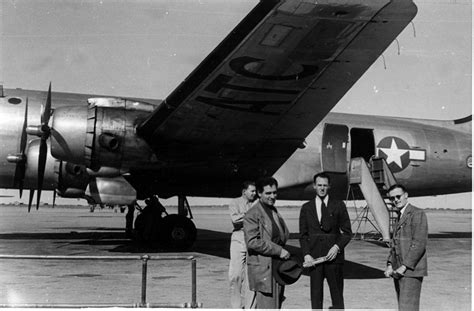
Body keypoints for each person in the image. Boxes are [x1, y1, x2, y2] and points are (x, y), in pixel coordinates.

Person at [299, 172, 352, 309]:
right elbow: (303, 235)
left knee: (337, 297)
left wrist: (337, 247)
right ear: (314, 186)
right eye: (319, 185)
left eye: (325, 185)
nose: (322, 188)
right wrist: (306, 254)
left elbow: (347, 233)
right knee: (316, 298)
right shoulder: (306, 208)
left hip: (334, 260)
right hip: (314, 260)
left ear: (329, 187)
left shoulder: (339, 205)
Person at [243, 177, 291, 309]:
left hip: (277, 268)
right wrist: (279, 250)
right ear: (259, 193)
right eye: (268, 193)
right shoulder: (252, 214)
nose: (273, 196)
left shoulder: (273, 211)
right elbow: (253, 242)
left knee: (277, 305)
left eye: (275, 193)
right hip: (265, 269)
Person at [384, 184, 428, 311]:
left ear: (406, 195)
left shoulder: (417, 213)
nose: (395, 200)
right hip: (399, 270)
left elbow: (419, 244)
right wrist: (390, 264)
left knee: (408, 308)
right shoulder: (399, 215)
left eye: (398, 196)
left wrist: (404, 267)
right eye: (392, 198)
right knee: (403, 307)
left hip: (411, 271)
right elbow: (394, 244)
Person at [228, 181, 257, 309]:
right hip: (238, 238)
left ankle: (250, 307)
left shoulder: (258, 203)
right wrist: (251, 215)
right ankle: (236, 307)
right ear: (244, 191)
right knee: (235, 275)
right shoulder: (234, 202)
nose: (254, 193)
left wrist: (244, 216)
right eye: (252, 191)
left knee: (252, 276)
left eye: (255, 191)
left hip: (253, 239)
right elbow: (235, 220)